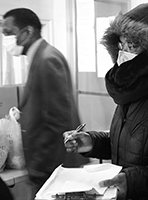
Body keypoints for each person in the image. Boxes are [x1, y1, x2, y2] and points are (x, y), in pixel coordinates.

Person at [63, 3, 148, 200]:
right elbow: (126, 143)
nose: (124, 52)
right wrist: (92, 142)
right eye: (121, 44)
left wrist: (132, 181)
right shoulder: (131, 90)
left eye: (133, 45)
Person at [2, 8, 89, 200]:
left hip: (53, 169)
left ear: (28, 32)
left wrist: (40, 167)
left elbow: (59, 120)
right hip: (47, 168)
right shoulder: (37, 58)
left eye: (9, 32)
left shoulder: (47, 59)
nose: (5, 39)